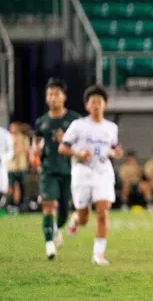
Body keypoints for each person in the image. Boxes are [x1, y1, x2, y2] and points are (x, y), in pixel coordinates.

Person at [60, 85, 123, 266]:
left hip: (103, 171)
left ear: (105, 105)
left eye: (99, 102)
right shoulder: (78, 125)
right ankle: (75, 219)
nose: (96, 105)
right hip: (82, 172)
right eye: (92, 102)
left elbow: (112, 149)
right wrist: (79, 154)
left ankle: (98, 255)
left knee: (103, 212)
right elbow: (63, 147)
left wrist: (116, 152)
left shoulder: (111, 128)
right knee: (84, 217)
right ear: (87, 106)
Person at [32, 78, 81, 260]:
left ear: (64, 97)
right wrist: (35, 150)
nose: (53, 98)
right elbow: (36, 142)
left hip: (69, 171)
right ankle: (49, 245)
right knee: (49, 207)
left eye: (56, 94)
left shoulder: (74, 120)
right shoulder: (41, 122)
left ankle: (57, 228)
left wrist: (66, 143)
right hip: (48, 169)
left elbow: (82, 145)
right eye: (50, 94)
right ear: (46, 98)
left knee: (63, 213)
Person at [7, 122, 30, 215]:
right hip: (11, 167)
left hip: (21, 166)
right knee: (10, 186)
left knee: (22, 186)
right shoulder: (7, 138)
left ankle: (20, 205)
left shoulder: (24, 138)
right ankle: (9, 204)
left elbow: (26, 150)